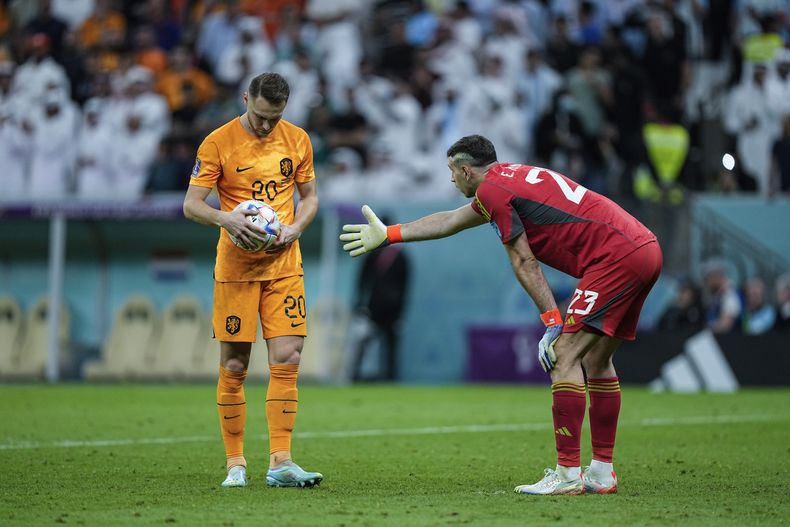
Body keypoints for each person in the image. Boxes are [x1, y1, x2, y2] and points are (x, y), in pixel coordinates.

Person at [340, 135, 662, 496]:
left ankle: (568, 474)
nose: (450, 180)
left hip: (614, 257)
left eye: (452, 171)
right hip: (644, 248)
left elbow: (524, 261)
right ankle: (601, 472)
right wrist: (390, 234)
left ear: (466, 170)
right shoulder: (508, 179)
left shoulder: (494, 190)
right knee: (597, 359)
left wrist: (552, 322)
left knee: (564, 356)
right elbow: (449, 221)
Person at [183, 72, 322, 489]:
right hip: (236, 270)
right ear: (246, 99)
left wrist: (296, 228)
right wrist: (225, 218)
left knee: (289, 358)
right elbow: (192, 205)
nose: (265, 126)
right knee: (235, 364)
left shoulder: (297, 139)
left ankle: (281, 461)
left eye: (274, 118)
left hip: (283, 265)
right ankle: (235, 464)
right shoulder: (217, 142)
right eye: (260, 116)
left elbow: (310, 197)